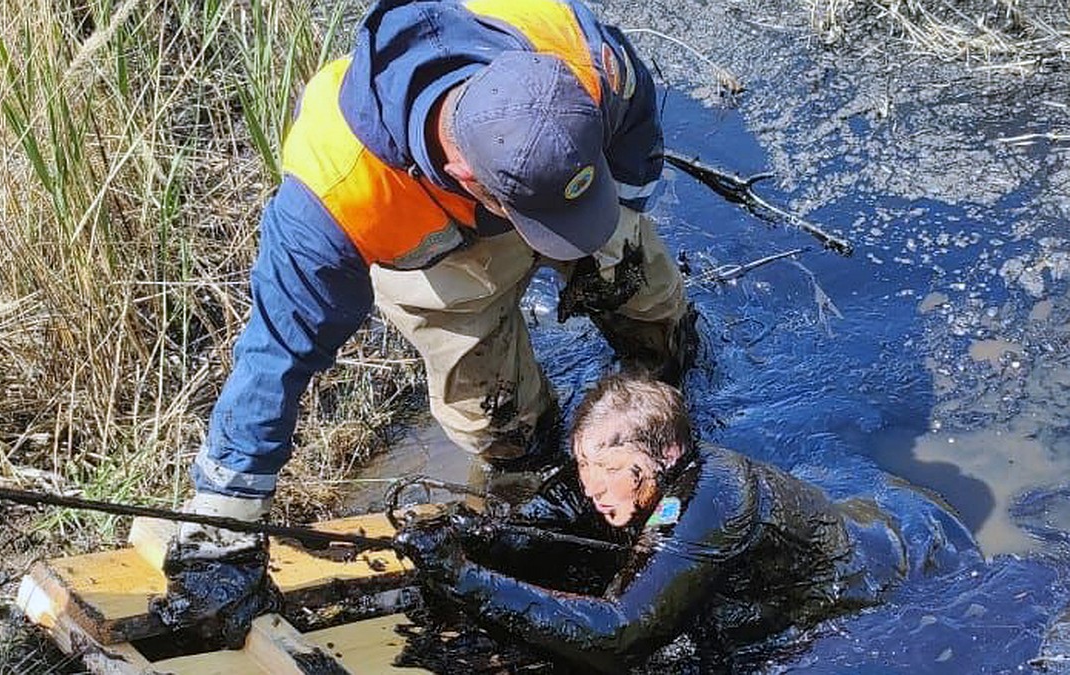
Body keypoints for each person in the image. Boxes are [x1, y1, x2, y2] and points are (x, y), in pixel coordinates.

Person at [152, 0, 697, 644]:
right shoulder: (336, 193)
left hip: (570, 182)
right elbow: (275, 357)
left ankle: (668, 388)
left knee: (645, 298)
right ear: (466, 171)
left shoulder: (575, 56)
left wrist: (615, 221)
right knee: (500, 422)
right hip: (443, 253)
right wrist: (225, 525)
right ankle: (546, 475)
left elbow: (632, 122)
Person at [393, 373, 983, 672]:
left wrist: (463, 579)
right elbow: (551, 518)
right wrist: (480, 538)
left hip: (892, 576)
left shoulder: (711, 503)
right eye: (583, 465)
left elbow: (617, 637)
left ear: (667, 456)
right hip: (856, 517)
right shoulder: (633, 473)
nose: (593, 484)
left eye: (610, 469)